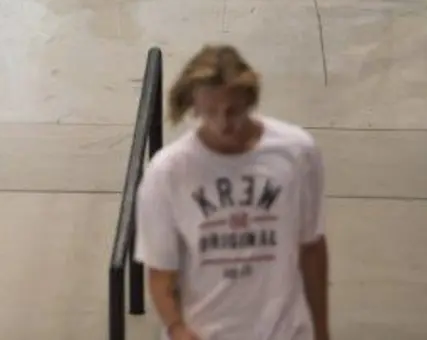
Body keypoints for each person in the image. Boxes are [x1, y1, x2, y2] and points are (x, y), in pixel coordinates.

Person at [135, 44, 329, 340]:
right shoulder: (168, 172)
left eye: (232, 111)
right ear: (194, 106)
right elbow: (161, 268)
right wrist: (176, 327)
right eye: (210, 112)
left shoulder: (296, 154)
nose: (223, 123)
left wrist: (322, 331)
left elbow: (311, 247)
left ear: (249, 100)